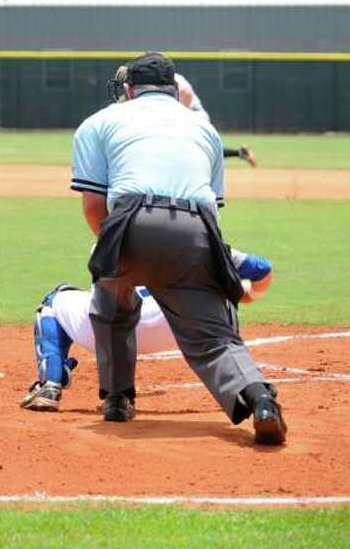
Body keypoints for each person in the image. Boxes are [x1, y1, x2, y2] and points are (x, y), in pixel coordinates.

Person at [72, 52, 285, 444]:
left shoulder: (99, 121)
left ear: (130, 89)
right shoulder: (204, 130)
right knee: (213, 339)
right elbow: (212, 214)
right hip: (193, 231)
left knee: (111, 304)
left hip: (128, 224)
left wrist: (115, 257)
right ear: (174, 89)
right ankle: (260, 401)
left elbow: (93, 206)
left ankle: (118, 399)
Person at [20, 249, 274, 411]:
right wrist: (246, 295)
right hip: (183, 329)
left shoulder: (111, 232)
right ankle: (245, 385)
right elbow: (262, 268)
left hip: (110, 332)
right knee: (222, 300)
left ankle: (50, 383)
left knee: (53, 301)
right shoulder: (197, 237)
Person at [107, 65, 257, 167]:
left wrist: (178, 117)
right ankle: (240, 153)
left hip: (195, 116)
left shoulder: (171, 79)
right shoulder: (152, 85)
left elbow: (186, 93)